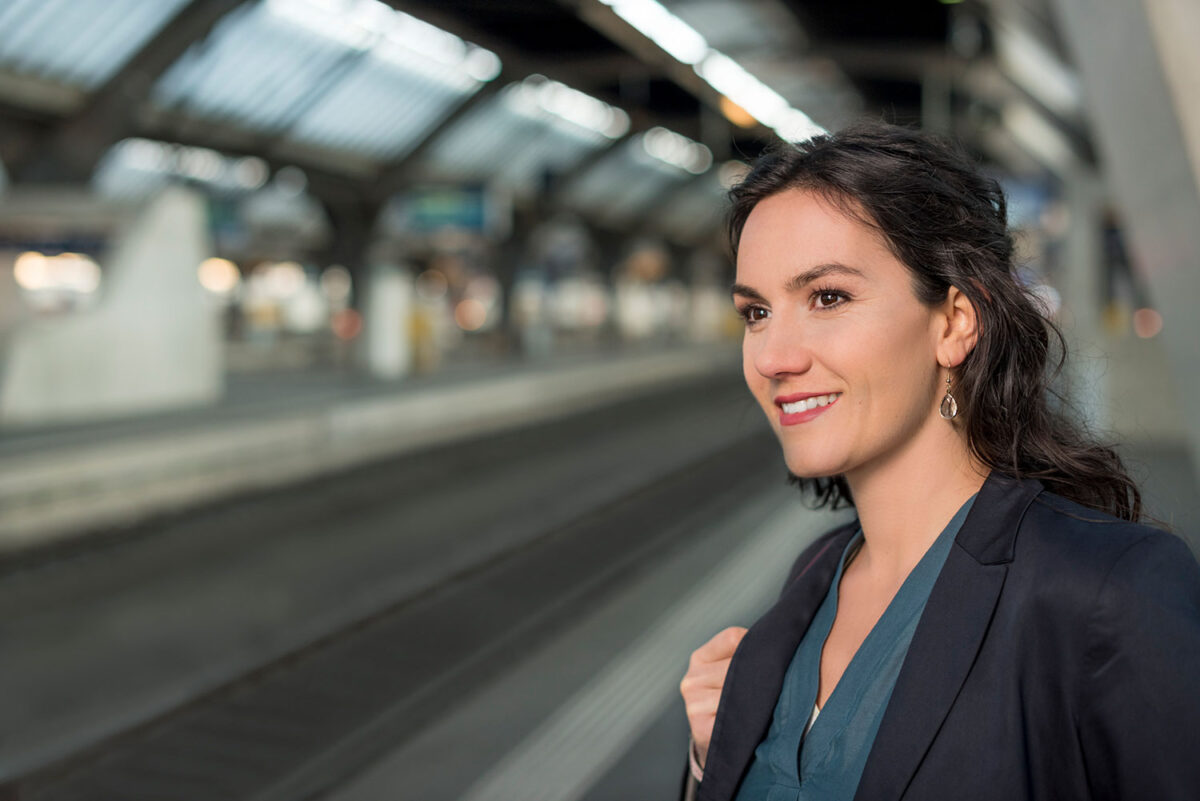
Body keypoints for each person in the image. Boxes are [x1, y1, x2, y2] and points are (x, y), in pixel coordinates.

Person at [678, 121, 1200, 801]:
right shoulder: (813, 578)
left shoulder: (1108, 590)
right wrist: (707, 766)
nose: (774, 356)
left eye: (828, 297)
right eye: (756, 312)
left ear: (955, 321)